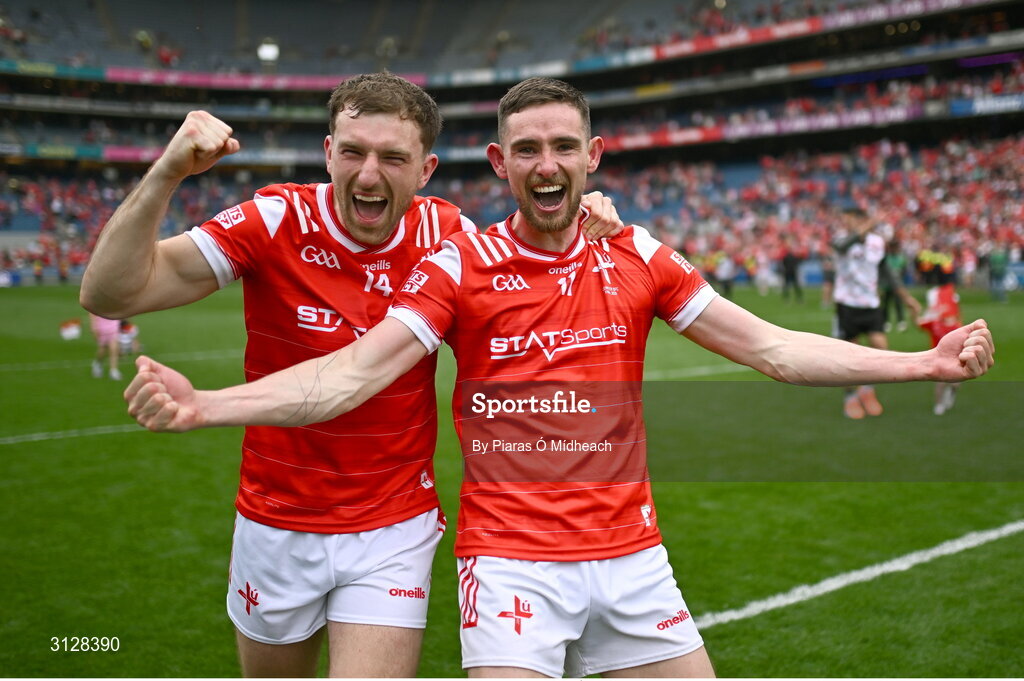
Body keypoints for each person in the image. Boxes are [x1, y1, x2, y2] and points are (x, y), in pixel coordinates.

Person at [123, 78, 995, 678]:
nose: (547, 164)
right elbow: (351, 374)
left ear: (594, 156)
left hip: (633, 559)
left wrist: (923, 358)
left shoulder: (638, 253)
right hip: (510, 565)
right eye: (527, 149)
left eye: (564, 147)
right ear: (501, 165)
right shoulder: (458, 264)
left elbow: (771, 346)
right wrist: (209, 405)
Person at [81, 72, 622, 677]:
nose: (368, 175)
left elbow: (538, 294)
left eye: (392, 157)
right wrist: (168, 172)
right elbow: (109, 293)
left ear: (425, 170)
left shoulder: (449, 239)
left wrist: (585, 220)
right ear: (328, 153)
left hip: (392, 525)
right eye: (353, 152)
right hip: (274, 516)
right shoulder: (275, 220)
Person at [830, 207, 921, 419]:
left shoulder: (876, 243)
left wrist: (907, 299)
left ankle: (867, 388)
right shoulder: (840, 240)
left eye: (850, 219)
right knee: (848, 355)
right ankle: (850, 397)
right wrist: (869, 225)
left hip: (871, 303)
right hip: (847, 303)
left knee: (880, 347)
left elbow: (887, 272)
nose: (847, 223)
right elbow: (843, 245)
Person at [916, 261, 962, 415]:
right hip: (939, 354)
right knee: (941, 380)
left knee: (955, 382)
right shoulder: (935, 324)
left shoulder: (955, 327)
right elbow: (921, 323)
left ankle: (951, 393)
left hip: (954, 353)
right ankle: (939, 405)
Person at [89, 312, 122, 380]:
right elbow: (92, 313)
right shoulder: (97, 302)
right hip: (102, 328)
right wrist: (93, 327)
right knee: (102, 349)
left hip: (113, 327)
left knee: (113, 348)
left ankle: (113, 370)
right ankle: (98, 363)